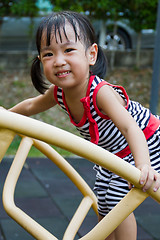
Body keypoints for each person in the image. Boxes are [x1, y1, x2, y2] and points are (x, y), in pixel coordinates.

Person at [6, 11, 160, 240]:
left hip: (145, 143)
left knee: (119, 204)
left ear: (91, 54)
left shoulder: (101, 93)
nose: (59, 61)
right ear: (40, 60)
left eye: (68, 50)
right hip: (112, 153)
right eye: (48, 54)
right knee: (103, 201)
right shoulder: (58, 93)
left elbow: (130, 128)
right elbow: (30, 106)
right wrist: (5, 116)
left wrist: (143, 165)